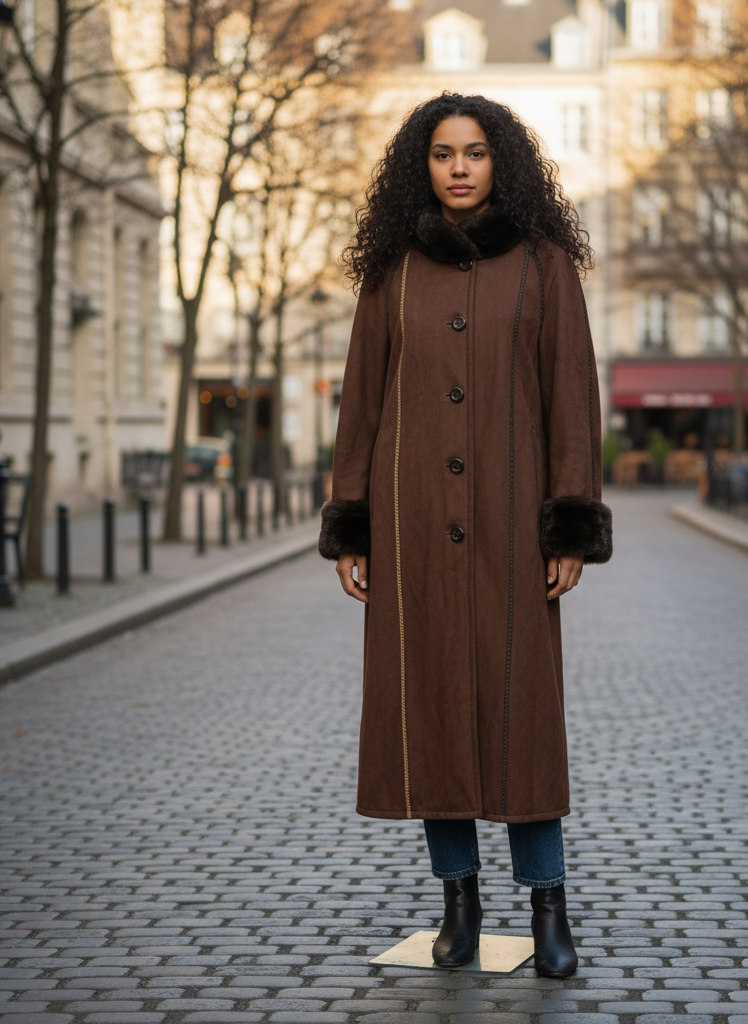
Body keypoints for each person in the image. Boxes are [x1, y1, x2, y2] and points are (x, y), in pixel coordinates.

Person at [318, 93, 612, 978]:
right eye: (443, 153)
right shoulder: (392, 271)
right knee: (432, 714)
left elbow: (572, 398)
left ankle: (548, 905)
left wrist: (570, 521)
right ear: (423, 164)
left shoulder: (546, 263)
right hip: (410, 530)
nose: (458, 167)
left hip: (513, 528)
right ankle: (459, 903)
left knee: (524, 718)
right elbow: (361, 402)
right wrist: (354, 524)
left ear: (501, 163)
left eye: (475, 153)